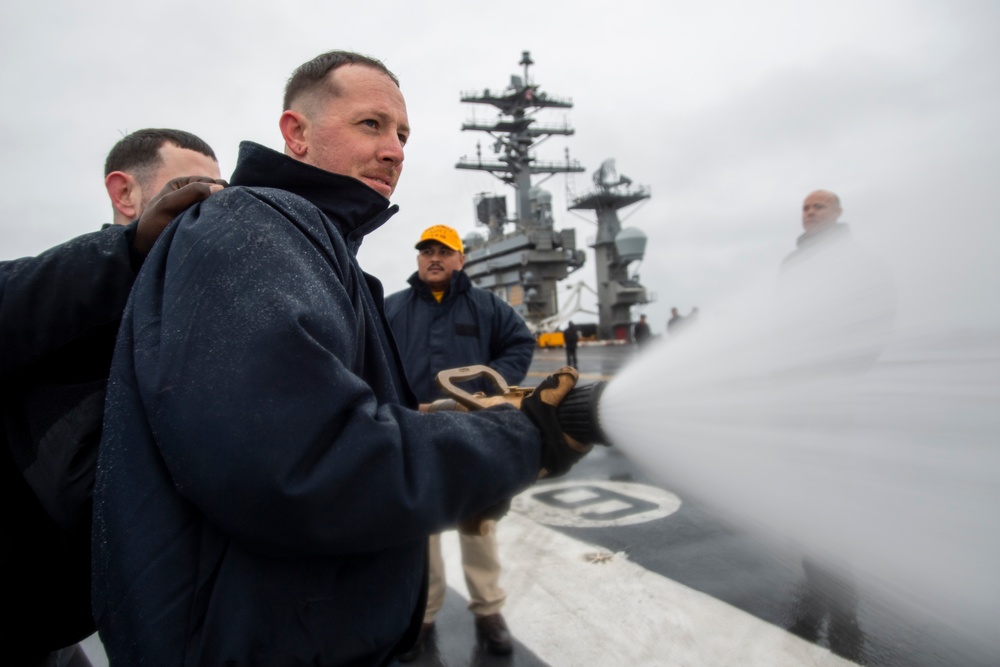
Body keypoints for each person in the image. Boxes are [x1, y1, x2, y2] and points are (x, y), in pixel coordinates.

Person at [92, 50, 591, 666]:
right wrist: (524, 437)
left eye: (403, 135)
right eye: (370, 125)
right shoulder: (252, 232)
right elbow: (305, 464)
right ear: (295, 132)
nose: (395, 150)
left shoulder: (310, 247)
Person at [2, 128, 222, 667]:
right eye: (188, 188)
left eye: (219, 194)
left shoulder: (196, 316)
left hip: (74, 620)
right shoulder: (56, 302)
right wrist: (129, 250)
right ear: (125, 195)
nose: (206, 208)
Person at [384, 224, 535, 659]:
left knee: (478, 523)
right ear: (418, 259)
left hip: (474, 428)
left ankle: (489, 611)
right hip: (415, 428)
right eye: (426, 251)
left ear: (460, 259)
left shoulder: (487, 306)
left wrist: (492, 391)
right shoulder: (392, 308)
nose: (434, 258)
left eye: (444, 251)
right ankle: (423, 618)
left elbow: (520, 343)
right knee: (420, 528)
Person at [778, 189, 895, 664]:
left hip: (837, 380)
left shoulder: (859, 261)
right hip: (800, 382)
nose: (810, 213)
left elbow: (880, 312)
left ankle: (834, 550)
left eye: (819, 206)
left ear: (838, 213)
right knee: (804, 462)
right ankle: (816, 539)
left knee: (831, 459)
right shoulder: (792, 264)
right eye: (805, 207)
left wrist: (852, 364)